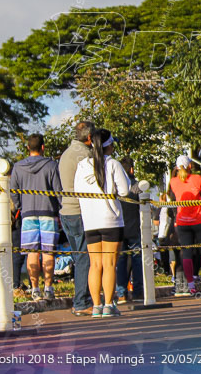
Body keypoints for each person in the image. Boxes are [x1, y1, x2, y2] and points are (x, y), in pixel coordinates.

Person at [74, 129, 129, 317]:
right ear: (109, 145)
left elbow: (77, 190)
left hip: (90, 220)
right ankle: (108, 304)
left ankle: (96, 305)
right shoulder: (113, 164)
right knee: (109, 263)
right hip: (111, 220)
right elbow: (124, 190)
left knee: (95, 264)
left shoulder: (82, 166)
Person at [10, 133, 61, 301]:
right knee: (48, 251)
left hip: (28, 213)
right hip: (48, 212)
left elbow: (14, 192)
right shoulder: (51, 165)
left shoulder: (17, 167)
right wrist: (60, 208)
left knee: (31, 252)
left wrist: (19, 207)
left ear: (27, 148)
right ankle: (48, 288)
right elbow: (58, 191)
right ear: (43, 147)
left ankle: (35, 289)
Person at [58, 121, 95, 316]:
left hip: (66, 211)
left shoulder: (66, 154)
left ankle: (81, 299)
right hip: (80, 211)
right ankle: (81, 302)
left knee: (77, 256)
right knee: (84, 258)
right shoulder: (86, 156)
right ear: (90, 138)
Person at [168, 155, 201, 294]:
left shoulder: (173, 181)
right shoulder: (197, 178)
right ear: (190, 166)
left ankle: (191, 286)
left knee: (186, 252)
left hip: (182, 221)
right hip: (200, 219)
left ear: (176, 167)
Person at [115, 157, 143, 303]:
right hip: (134, 229)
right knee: (137, 259)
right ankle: (138, 292)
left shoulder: (116, 187)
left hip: (119, 228)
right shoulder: (136, 186)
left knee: (120, 261)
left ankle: (121, 293)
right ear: (131, 169)